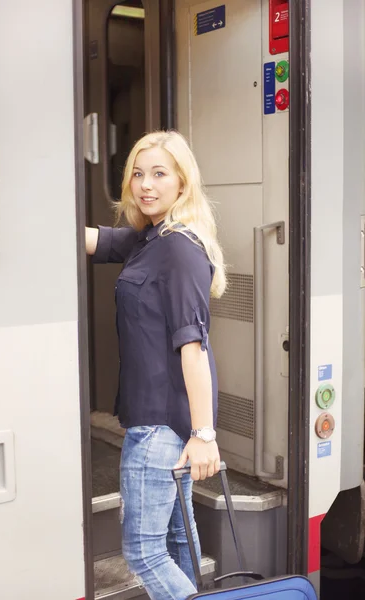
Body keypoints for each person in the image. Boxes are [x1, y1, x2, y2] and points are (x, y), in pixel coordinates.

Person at [86, 130, 226, 600]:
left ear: (183, 183)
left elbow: (194, 346)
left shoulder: (179, 248)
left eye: (160, 174)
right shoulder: (149, 239)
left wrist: (204, 435)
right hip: (165, 422)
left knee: (145, 551)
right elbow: (94, 241)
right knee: (177, 537)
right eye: (138, 174)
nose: (146, 185)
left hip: (161, 425)